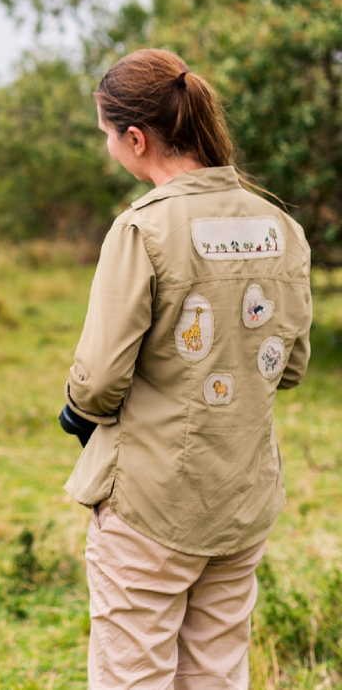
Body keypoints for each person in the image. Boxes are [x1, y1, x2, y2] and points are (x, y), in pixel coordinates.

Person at [58, 49, 312, 689]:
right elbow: (291, 366)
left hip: (151, 498)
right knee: (218, 673)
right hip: (242, 495)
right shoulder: (282, 228)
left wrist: (77, 412)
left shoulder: (142, 230)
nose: (108, 147)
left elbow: (98, 379)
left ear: (135, 138)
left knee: (132, 673)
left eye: (107, 136)